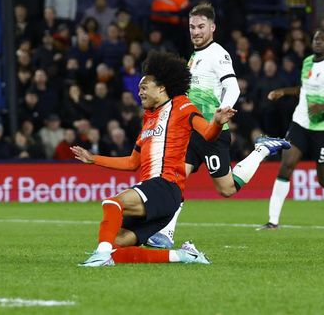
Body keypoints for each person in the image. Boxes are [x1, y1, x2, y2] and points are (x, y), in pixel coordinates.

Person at [71, 51, 236, 267]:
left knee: (112, 203)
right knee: (116, 248)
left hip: (165, 186)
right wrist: (94, 159)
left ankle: (99, 257)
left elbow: (207, 134)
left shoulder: (182, 106)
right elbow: (132, 163)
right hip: (156, 193)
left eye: (143, 87)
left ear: (161, 88)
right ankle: (184, 256)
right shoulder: (148, 120)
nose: (139, 92)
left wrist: (216, 122)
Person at [147, 3, 291, 249]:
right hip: (192, 131)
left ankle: (262, 150)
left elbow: (232, 87)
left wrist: (222, 112)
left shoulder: (218, 54)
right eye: (192, 27)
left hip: (212, 134)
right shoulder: (194, 56)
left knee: (226, 189)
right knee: (175, 178)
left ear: (212, 27)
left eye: (201, 26)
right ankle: (166, 233)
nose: (195, 31)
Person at [259, 29, 324, 229]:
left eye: (323, 39)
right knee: (286, 164)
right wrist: (284, 91)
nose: (318, 41)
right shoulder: (308, 61)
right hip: (300, 123)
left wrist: (323, 107)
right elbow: (305, 89)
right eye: (315, 38)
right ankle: (272, 221)